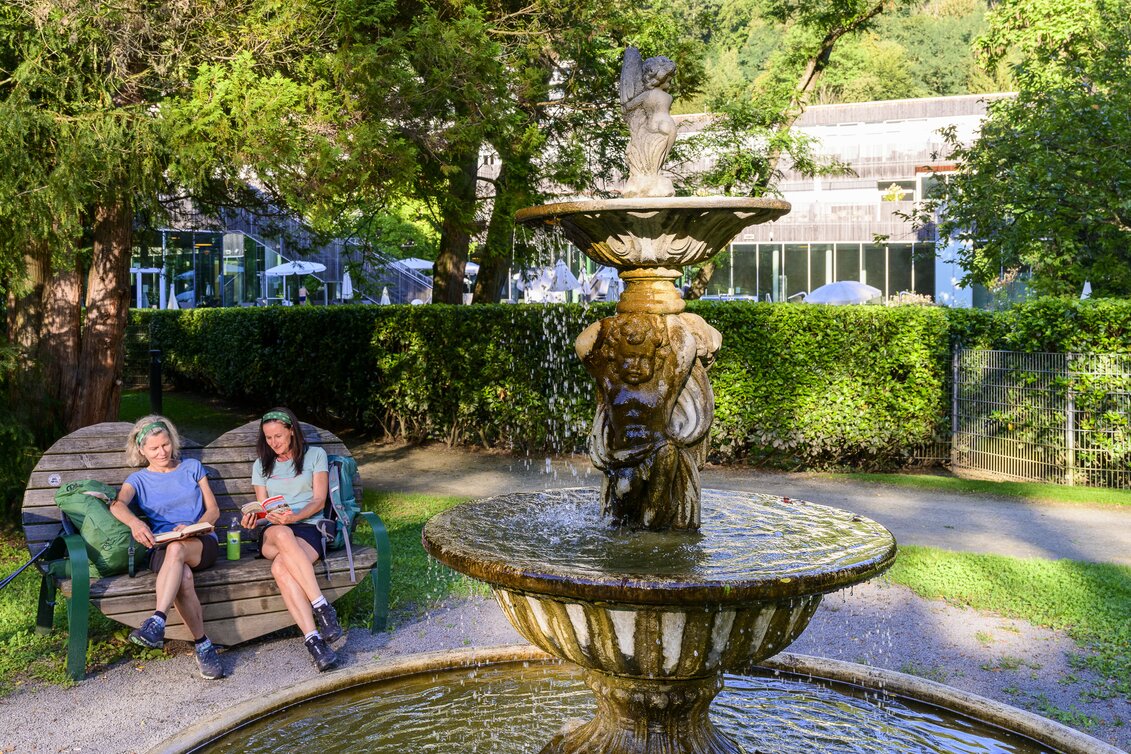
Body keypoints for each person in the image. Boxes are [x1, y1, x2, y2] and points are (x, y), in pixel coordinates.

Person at [110, 416, 224, 680]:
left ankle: (157, 620)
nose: (162, 452)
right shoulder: (137, 479)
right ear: (141, 450)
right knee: (181, 574)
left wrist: (195, 525)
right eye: (154, 448)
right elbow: (117, 505)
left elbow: (214, 510)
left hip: (200, 541)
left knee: (178, 550)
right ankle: (203, 645)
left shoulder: (192, 467)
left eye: (165, 445)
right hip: (163, 546)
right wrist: (136, 524)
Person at [241, 407, 343, 671]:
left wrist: (294, 516)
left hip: (308, 527)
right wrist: (255, 518)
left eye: (278, 436)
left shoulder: (315, 455)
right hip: (274, 532)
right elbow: (264, 509)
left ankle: (314, 643)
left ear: (291, 431)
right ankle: (322, 607)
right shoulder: (261, 465)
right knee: (283, 533)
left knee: (281, 568)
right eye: (268, 438)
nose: (273, 443)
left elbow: (319, 500)